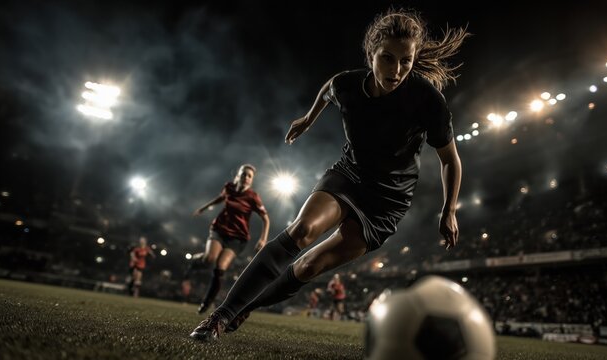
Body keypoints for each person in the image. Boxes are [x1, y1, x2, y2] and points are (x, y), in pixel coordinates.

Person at [190, 8, 466, 340]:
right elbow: (328, 90)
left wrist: (449, 210)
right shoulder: (347, 85)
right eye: (387, 58)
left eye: (405, 60)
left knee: (308, 267)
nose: (396, 70)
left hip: (388, 202)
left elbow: (450, 160)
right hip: (349, 176)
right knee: (302, 229)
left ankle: (246, 306)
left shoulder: (428, 100)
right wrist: (308, 119)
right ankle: (219, 318)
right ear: (371, 54)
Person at [183, 164, 271, 314]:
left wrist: (263, 239)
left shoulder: (253, 197)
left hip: (238, 238)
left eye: (250, 176)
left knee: (220, 268)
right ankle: (198, 260)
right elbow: (220, 198)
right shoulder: (229, 187)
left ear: (252, 180)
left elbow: (266, 219)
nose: (246, 178)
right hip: (219, 230)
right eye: (244, 174)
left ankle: (206, 303)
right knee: (209, 259)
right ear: (238, 175)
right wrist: (204, 208)